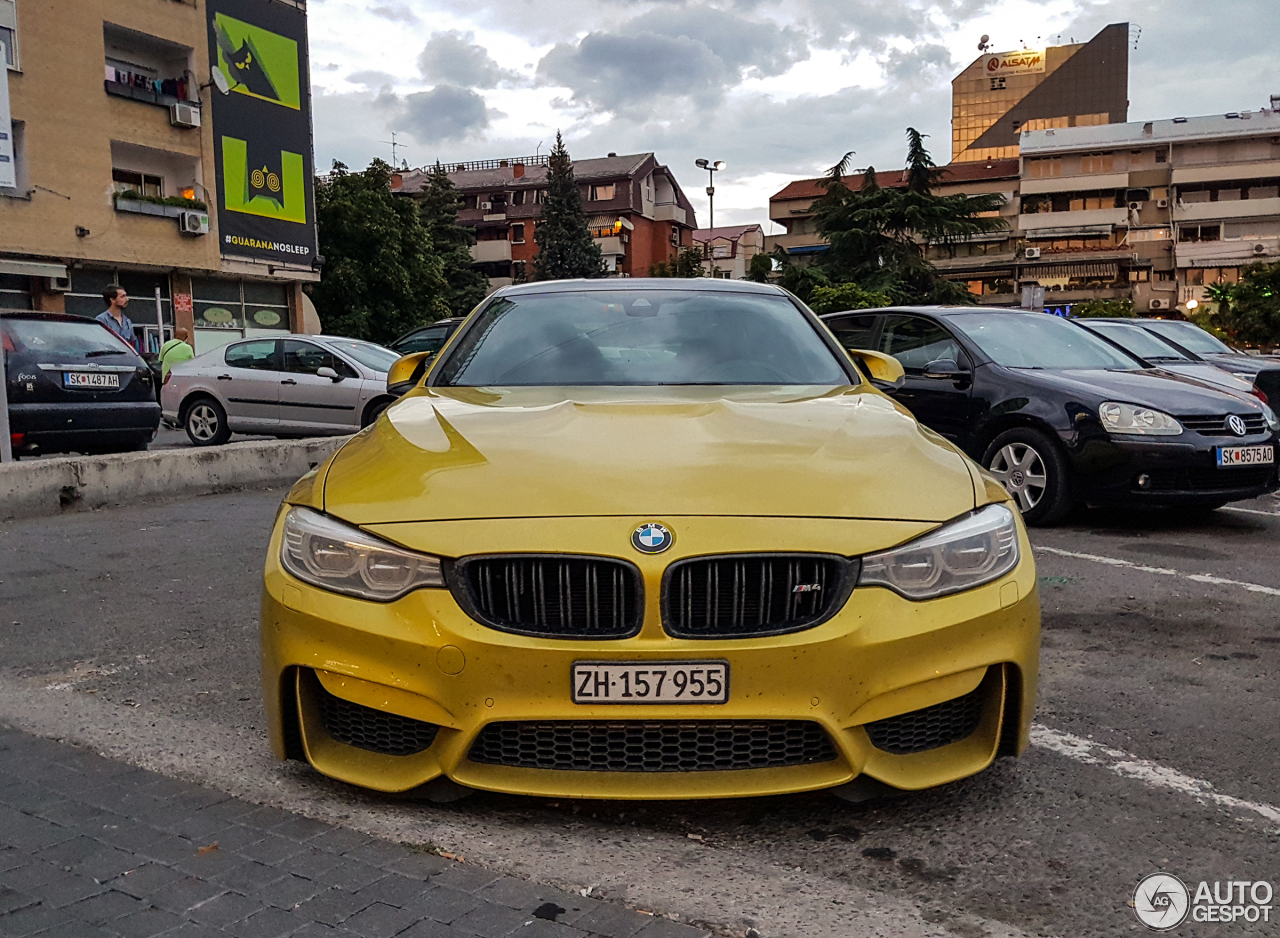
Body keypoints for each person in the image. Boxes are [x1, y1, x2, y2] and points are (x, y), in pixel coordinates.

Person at [95, 287, 139, 352]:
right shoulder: (102, 319)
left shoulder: (127, 321)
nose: (127, 299)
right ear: (112, 299)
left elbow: (132, 343)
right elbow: (99, 344)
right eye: (122, 296)